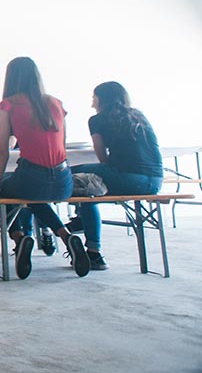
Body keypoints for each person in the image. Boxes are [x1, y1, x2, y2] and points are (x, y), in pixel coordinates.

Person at [0, 56, 89, 279]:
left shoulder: (9, 104)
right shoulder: (56, 103)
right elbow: (62, 145)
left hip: (32, 179)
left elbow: (3, 150)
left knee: (3, 195)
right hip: (64, 180)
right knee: (35, 197)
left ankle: (19, 237)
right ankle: (64, 235)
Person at [67, 81, 163, 272]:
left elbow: (103, 159)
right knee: (89, 185)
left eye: (93, 97)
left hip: (130, 179)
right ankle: (81, 225)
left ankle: (91, 246)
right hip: (155, 182)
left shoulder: (97, 120)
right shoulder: (138, 116)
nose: (92, 103)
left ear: (102, 99)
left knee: (72, 176)